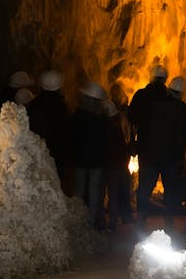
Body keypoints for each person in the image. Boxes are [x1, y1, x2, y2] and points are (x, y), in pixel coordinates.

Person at [138, 76, 186, 231]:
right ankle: (168, 220)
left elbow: (146, 128)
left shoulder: (156, 105)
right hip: (170, 156)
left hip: (152, 154)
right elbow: (181, 136)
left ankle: (141, 218)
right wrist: (180, 158)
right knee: (170, 189)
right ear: (181, 93)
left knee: (146, 187)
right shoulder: (182, 109)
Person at [127, 65, 168, 223]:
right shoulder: (169, 96)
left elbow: (131, 117)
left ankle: (141, 216)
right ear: (164, 79)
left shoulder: (141, 95)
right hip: (165, 147)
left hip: (146, 146)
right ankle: (169, 220)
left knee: (145, 183)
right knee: (169, 184)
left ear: (151, 77)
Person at [70, 80, 109, 230]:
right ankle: (90, 224)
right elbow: (105, 141)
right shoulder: (102, 118)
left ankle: (77, 222)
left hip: (80, 160)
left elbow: (72, 138)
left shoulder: (77, 116)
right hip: (96, 161)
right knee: (94, 193)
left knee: (79, 191)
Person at [26, 69, 71, 190]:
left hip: (37, 151)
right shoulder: (60, 106)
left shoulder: (34, 104)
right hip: (57, 152)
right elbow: (65, 130)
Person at [101, 98, 132, 231]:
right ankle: (123, 217)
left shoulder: (108, 127)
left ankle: (111, 222)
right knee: (121, 192)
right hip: (120, 163)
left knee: (111, 194)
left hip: (111, 165)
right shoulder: (118, 124)